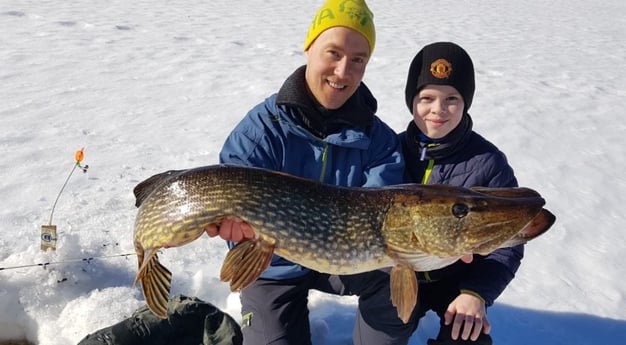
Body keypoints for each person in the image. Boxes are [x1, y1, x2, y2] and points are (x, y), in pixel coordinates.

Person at [205, 0, 405, 344]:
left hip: (348, 261)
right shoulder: (261, 130)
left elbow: (383, 216)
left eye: (358, 60)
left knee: (394, 284)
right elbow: (227, 192)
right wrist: (232, 229)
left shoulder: (380, 141)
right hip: (271, 264)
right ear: (309, 48)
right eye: (334, 53)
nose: (343, 72)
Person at [383, 41, 522, 344]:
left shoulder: (487, 163)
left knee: (467, 338)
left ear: (466, 102)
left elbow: (507, 244)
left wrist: (476, 293)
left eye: (452, 98)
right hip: (397, 275)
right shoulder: (389, 151)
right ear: (412, 100)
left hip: (456, 280)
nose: (438, 109)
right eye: (427, 97)